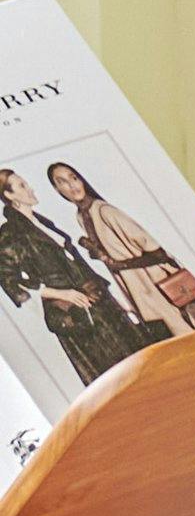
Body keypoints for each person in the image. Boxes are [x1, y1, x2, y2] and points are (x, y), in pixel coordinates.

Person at [50, 158, 195, 349]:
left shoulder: (105, 211)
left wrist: (118, 264)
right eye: (62, 182)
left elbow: (157, 252)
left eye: (74, 178)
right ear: (57, 190)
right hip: (138, 288)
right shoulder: (82, 216)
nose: (72, 186)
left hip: (158, 283)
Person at [0, 158, 142, 381]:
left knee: (139, 361)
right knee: (114, 378)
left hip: (99, 301)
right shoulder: (10, 233)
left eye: (26, 183)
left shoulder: (42, 222)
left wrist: (117, 300)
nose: (30, 188)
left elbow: (78, 264)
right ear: (9, 196)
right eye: (21, 186)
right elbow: (9, 279)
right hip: (76, 315)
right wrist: (62, 294)